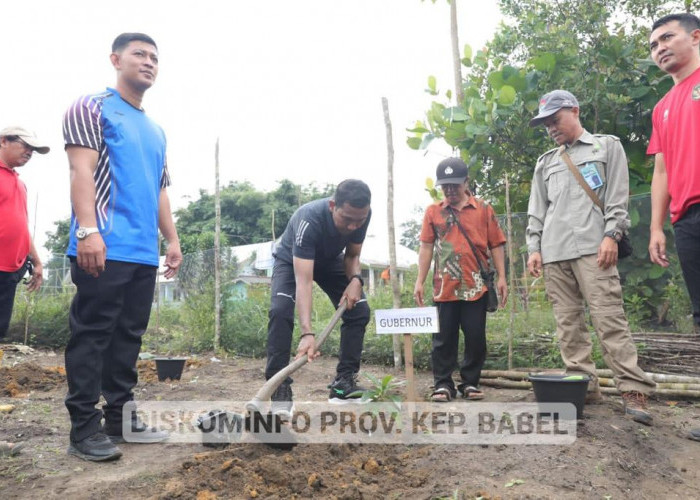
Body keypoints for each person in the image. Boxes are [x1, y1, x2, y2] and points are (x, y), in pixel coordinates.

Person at [62, 33, 182, 462]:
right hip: (103, 244)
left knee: (129, 336)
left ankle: (121, 418)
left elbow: (160, 190)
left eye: (154, 57)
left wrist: (171, 239)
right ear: (116, 59)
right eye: (139, 54)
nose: (148, 62)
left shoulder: (156, 130)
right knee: (93, 334)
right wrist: (87, 232)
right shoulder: (91, 107)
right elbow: (81, 170)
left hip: (141, 253)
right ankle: (83, 428)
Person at [526, 90, 656, 425]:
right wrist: (534, 248)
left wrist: (612, 234)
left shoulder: (606, 147)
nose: (551, 128)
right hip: (554, 253)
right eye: (546, 124)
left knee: (609, 319)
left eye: (555, 120)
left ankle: (632, 388)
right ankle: (581, 386)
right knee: (568, 325)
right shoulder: (546, 162)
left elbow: (617, 197)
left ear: (575, 111)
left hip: (593, 248)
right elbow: (537, 210)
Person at [265, 179, 372, 416]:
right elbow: (304, 281)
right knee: (280, 311)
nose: (354, 226)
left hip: (329, 260)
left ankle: (343, 385)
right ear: (333, 205)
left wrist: (356, 280)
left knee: (360, 310)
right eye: (347, 219)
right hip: (290, 260)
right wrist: (307, 333)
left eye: (360, 220)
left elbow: (353, 255)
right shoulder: (309, 220)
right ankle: (279, 389)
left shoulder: (362, 214)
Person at [414, 158, 508, 402]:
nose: (450, 190)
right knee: (443, 337)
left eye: (455, 185)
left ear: (466, 182)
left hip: (476, 285)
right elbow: (426, 247)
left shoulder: (484, 209)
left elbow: (496, 243)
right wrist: (419, 281)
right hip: (444, 286)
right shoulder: (433, 211)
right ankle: (443, 383)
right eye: (445, 186)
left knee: (476, 335)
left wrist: (502, 277)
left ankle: (469, 382)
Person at [647, 12, 700, 439]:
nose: (659, 47)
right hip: (687, 219)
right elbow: (661, 172)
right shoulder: (661, 108)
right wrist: (656, 227)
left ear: (696, 36)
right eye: (653, 45)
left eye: (667, 37)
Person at [0, 126, 49, 457]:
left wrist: (37, 260)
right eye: (25, 145)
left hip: (9, 272)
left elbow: (20, 223)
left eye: (35, 149)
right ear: (3, 141)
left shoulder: (18, 181)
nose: (30, 151)